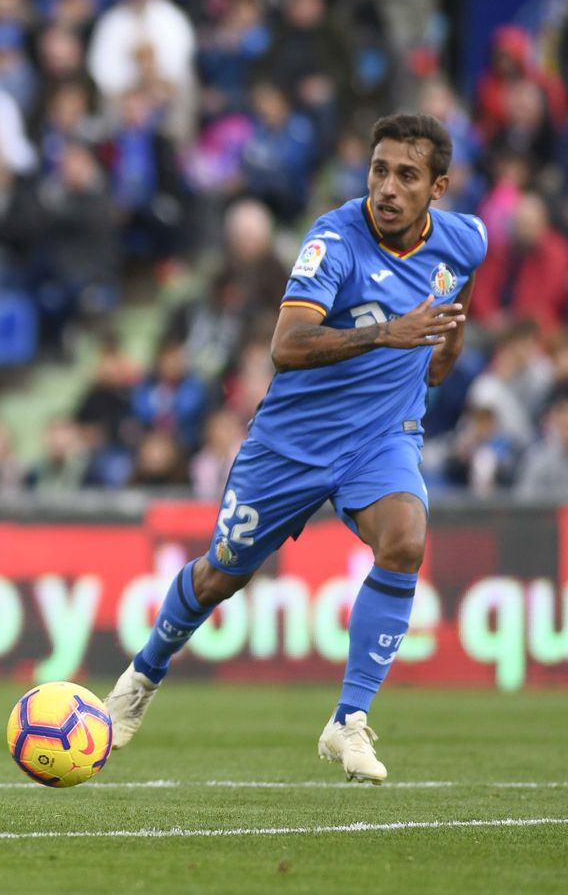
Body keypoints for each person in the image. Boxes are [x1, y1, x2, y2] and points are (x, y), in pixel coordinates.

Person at [105, 114, 488, 784]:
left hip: (381, 438)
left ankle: (349, 721)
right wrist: (389, 334)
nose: (388, 188)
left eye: (406, 175)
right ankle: (144, 674)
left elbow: (450, 313)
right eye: (379, 170)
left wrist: (447, 341)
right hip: (292, 445)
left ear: (439, 187)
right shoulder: (334, 240)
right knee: (220, 576)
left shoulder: (466, 241)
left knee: (405, 539)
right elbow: (286, 346)